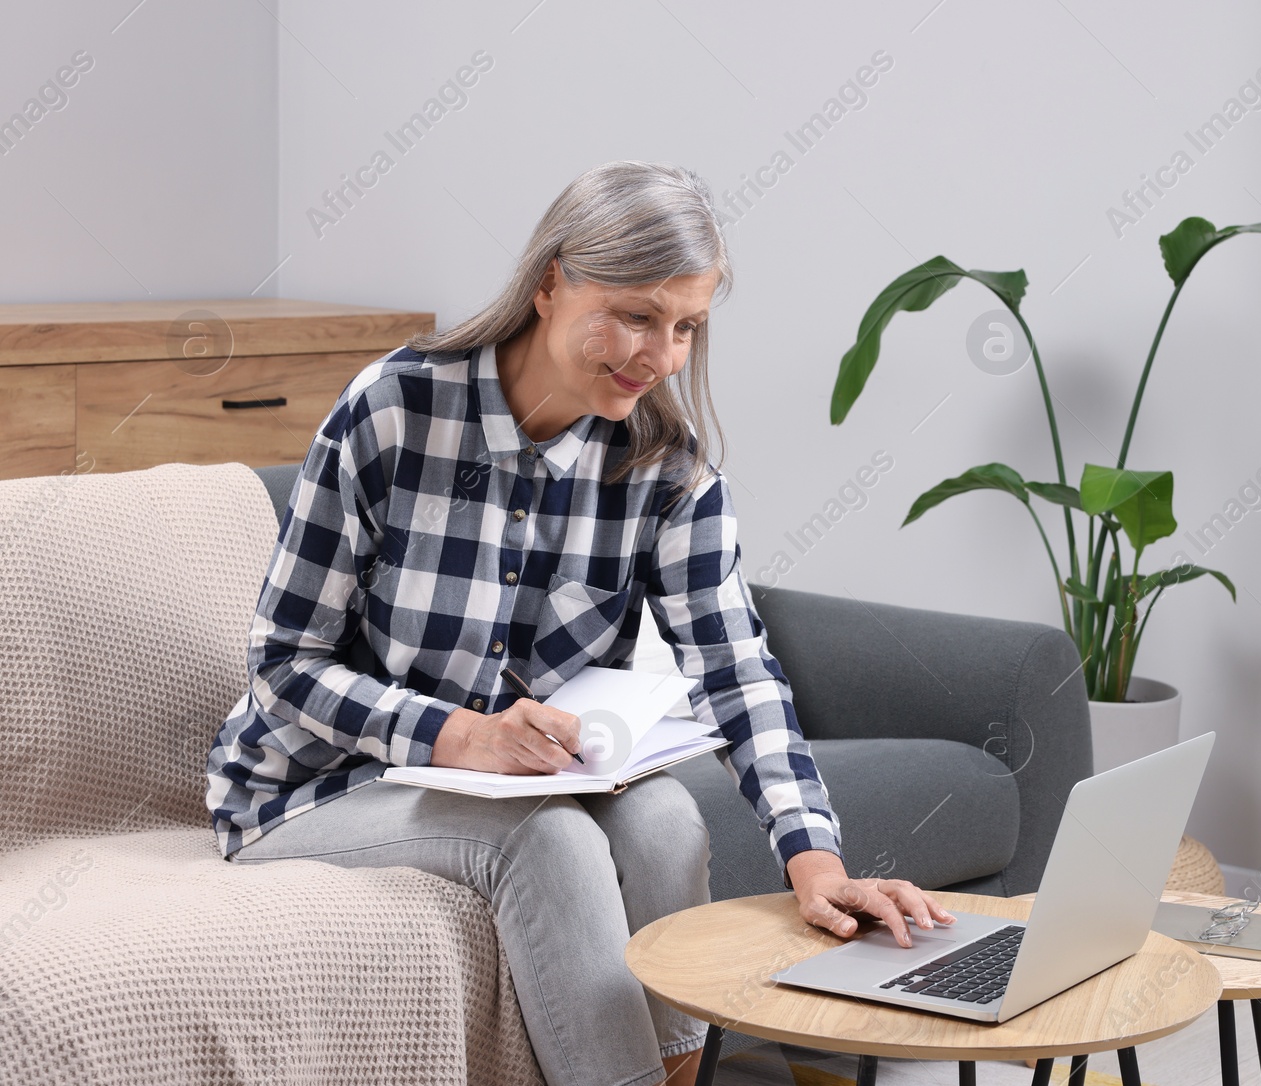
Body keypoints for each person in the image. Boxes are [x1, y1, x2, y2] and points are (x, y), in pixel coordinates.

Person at [205, 160, 955, 1086]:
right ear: (550, 281)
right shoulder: (394, 411)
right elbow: (285, 660)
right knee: (551, 840)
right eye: (637, 315)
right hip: (313, 784)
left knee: (666, 820)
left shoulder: (663, 469)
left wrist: (815, 856)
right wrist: (462, 735)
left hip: (522, 783)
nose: (661, 356)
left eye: (686, 327)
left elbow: (735, 669)